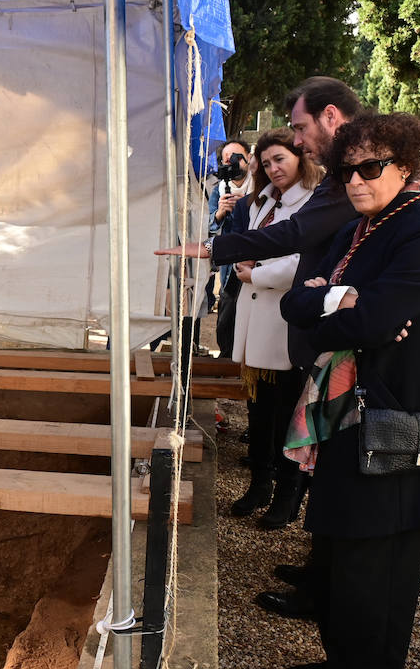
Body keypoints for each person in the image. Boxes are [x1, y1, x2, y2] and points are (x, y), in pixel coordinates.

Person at [279, 112, 420, 669]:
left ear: (406, 168)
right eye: (346, 169)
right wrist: (340, 299)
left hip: (396, 422)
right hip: (344, 415)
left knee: (377, 569)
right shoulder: (361, 229)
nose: (355, 180)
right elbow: (294, 307)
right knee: (336, 552)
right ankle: (342, 667)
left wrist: (333, 301)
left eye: (370, 167)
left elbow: (369, 321)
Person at [156, 77, 364, 621]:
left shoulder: (351, 184)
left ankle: (325, 577)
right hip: (308, 329)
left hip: (335, 339)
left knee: (325, 449)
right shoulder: (337, 183)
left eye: (299, 129)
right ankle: (319, 565)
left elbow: (293, 239)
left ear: (333, 118)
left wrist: (213, 248)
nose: (296, 144)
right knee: (300, 432)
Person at [228, 128, 322, 528]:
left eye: (280, 158)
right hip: (255, 319)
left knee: (287, 415)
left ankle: (287, 493)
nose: (273, 168)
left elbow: (306, 258)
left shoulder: (314, 202)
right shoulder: (262, 200)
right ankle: (259, 483)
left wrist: (258, 274)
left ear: (300, 158)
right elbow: (249, 241)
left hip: (285, 323)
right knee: (259, 413)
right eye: (265, 162)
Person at [209, 139, 253, 356]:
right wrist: (220, 212)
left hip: (256, 259)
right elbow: (209, 225)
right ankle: (226, 357)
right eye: (227, 159)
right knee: (226, 313)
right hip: (230, 264)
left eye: (236, 157)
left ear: (249, 158)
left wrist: (248, 204)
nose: (232, 162)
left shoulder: (261, 185)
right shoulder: (218, 189)